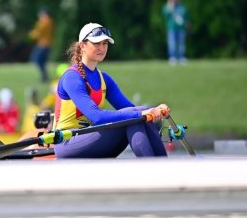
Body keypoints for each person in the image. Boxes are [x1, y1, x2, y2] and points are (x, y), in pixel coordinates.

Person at [53, 23, 169, 158]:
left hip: (91, 137)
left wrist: (155, 110)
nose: (102, 48)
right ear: (82, 46)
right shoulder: (72, 77)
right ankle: (154, 167)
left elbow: (131, 108)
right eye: (97, 43)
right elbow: (96, 116)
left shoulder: (104, 79)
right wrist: (142, 112)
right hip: (67, 142)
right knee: (135, 116)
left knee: (137, 116)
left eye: (105, 44)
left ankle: (162, 165)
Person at [162, 0, 189, 65]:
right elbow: (165, 15)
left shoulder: (182, 7)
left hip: (181, 29)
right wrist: (170, 7)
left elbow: (186, 18)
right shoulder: (167, 7)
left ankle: (181, 57)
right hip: (171, 29)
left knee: (181, 44)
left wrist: (187, 25)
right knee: (172, 44)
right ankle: (172, 58)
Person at [29, 8, 54, 82]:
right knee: (40, 60)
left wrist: (32, 34)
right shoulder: (50, 22)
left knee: (37, 59)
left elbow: (38, 33)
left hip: (43, 45)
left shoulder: (45, 22)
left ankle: (44, 76)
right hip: (44, 44)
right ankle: (44, 76)